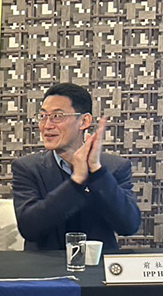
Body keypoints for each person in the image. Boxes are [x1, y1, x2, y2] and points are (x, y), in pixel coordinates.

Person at [12, 82, 141, 251]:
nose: (47, 125)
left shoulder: (114, 167)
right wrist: (76, 182)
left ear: (84, 121)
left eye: (57, 116)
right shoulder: (28, 168)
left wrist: (97, 172)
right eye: (43, 116)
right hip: (45, 265)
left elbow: (129, 226)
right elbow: (30, 228)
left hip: (97, 265)